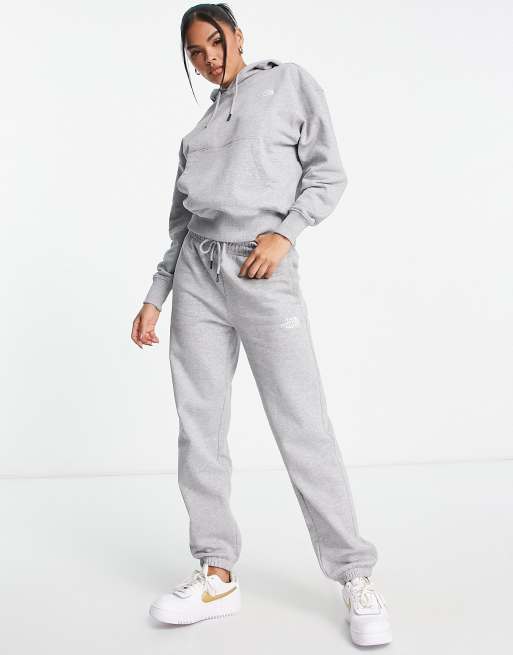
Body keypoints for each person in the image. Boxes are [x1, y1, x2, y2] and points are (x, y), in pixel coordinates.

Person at [131, 3, 392, 647]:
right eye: (195, 52)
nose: (208, 59)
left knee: (302, 422)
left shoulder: (288, 83)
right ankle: (216, 571)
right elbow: (180, 225)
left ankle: (354, 574)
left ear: (238, 35)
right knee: (199, 428)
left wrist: (286, 232)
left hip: (260, 267)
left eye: (214, 43)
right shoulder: (195, 134)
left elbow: (327, 172)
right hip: (196, 275)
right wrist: (156, 296)